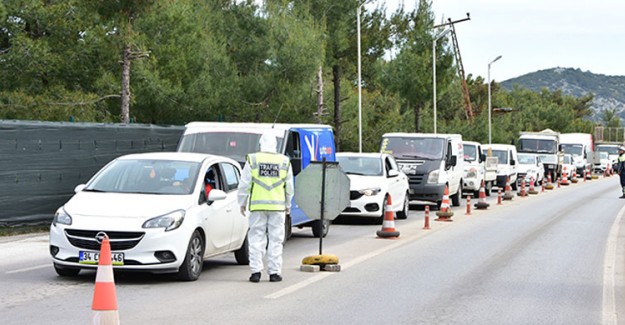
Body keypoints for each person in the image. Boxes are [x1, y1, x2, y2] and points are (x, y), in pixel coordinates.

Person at [238, 133, 294, 283]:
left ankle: (255, 272)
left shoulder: (253, 159)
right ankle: (274, 273)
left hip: (257, 206)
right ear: (275, 144)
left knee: (256, 238)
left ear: (261, 143)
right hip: (277, 206)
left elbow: (245, 184)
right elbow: (289, 187)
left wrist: (242, 203)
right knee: (276, 239)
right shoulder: (284, 161)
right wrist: (288, 204)